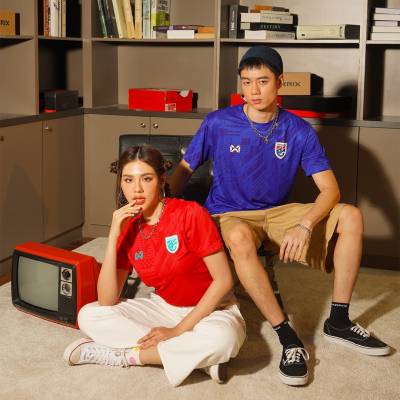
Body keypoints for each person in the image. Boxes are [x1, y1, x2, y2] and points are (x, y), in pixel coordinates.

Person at [170, 45, 390, 386]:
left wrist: (305, 225)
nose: (254, 91)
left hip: (277, 212)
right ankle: (288, 337)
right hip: (228, 212)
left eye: (262, 81)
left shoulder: (298, 130)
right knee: (239, 237)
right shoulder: (218, 122)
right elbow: (184, 170)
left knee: (351, 216)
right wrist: (170, 209)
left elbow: (330, 190)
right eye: (246, 82)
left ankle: (339, 321)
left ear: (280, 83)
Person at [63, 146, 246, 387]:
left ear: (161, 180)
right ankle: (197, 358)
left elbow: (224, 281)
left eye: (146, 179)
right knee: (89, 315)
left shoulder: (190, 213)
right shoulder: (128, 228)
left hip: (212, 309)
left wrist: (178, 330)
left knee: (224, 339)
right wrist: (114, 235)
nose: (136, 189)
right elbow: (107, 300)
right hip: (164, 308)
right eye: (128, 180)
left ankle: (126, 356)